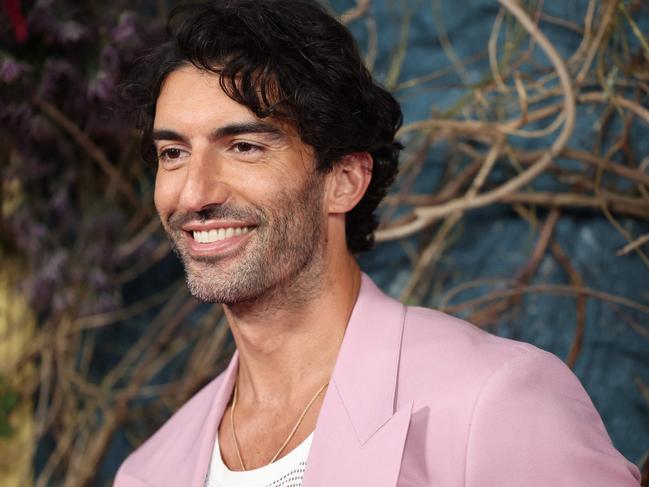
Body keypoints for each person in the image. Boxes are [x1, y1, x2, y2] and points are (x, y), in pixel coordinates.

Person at [115, 1, 642, 486]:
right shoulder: (149, 471)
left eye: (245, 146)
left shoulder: (496, 401)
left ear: (343, 179)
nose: (196, 193)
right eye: (173, 154)